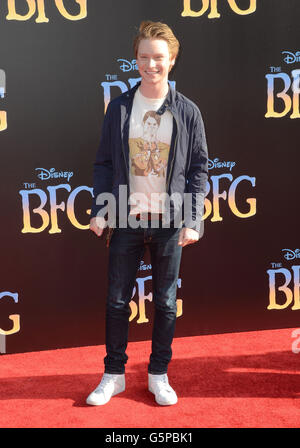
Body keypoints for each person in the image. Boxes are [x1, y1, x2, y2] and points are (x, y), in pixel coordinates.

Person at [86, 20, 208, 406]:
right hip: (126, 219)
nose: (150, 64)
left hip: (170, 223)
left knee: (166, 302)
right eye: (143, 57)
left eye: (158, 57)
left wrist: (192, 219)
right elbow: (104, 163)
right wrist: (102, 208)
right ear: (135, 59)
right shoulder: (120, 107)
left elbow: (199, 169)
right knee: (117, 301)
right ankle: (114, 374)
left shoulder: (188, 112)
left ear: (172, 60)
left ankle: (158, 374)